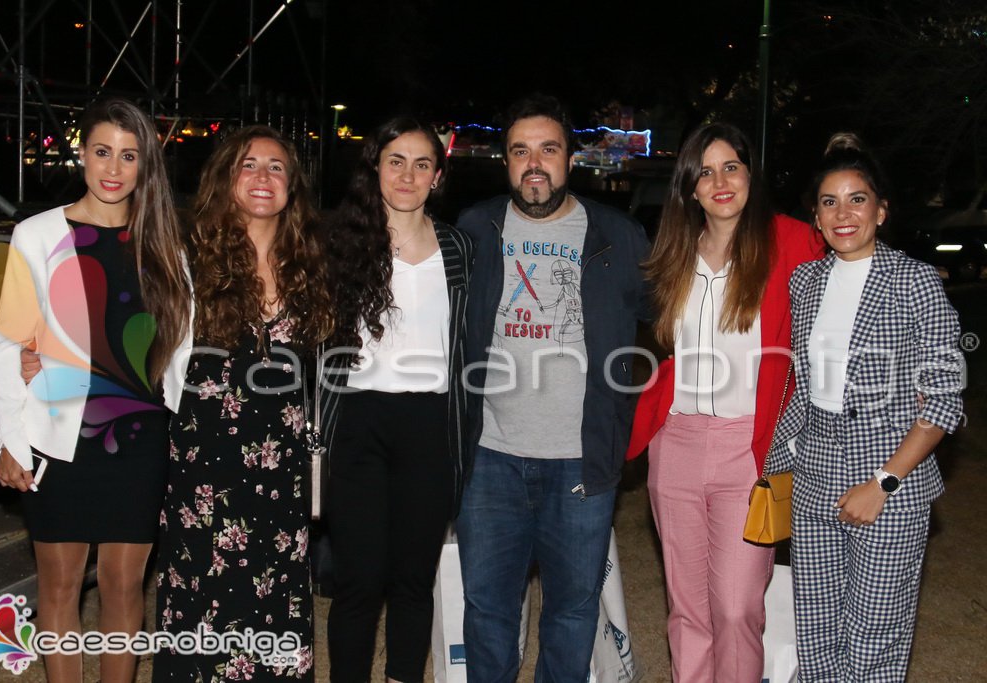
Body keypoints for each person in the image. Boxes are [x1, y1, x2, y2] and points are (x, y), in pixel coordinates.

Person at [0, 97, 192, 683]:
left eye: (129, 156)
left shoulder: (164, 242)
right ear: (82, 154)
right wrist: (11, 438)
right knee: (61, 585)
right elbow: (8, 345)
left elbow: (181, 344)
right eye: (103, 151)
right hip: (58, 437)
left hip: (140, 437)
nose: (113, 168)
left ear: (145, 164)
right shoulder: (36, 234)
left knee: (125, 586)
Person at [455, 93, 650, 681]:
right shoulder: (475, 229)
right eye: (521, 151)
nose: (534, 164)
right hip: (489, 457)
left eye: (548, 149)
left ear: (570, 157)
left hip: (580, 459)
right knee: (488, 610)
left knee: (571, 612)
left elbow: (672, 324)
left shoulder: (619, 236)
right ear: (506, 161)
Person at [624, 121, 823, 681]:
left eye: (731, 167)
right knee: (687, 609)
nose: (720, 182)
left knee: (737, 608)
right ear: (690, 188)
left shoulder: (792, 241)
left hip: (750, 448)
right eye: (705, 172)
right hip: (676, 444)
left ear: (750, 175)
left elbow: (851, 270)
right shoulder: (674, 253)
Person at [768, 133, 964, 680]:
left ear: (881, 210)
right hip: (813, 471)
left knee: (874, 635)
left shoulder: (915, 281)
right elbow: (805, 385)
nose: (843, 213)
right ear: (816, 217)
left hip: (889, 474)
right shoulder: (805, 281)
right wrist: (776, 458)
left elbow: (943, 401)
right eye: (829, 202)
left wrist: (884, 483)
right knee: (815, 631)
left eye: (857, 199)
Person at [152, 125, 335, 681]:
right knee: (201, 592)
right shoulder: (189, 258)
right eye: (248, 165)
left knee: (275, 593)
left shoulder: (312, 265)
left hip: (281, 467)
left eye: (276, 167)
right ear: (226, 179)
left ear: (292, 185)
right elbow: (134, 337)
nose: (263, 176)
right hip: (204, 465)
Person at [321, 117, 472, 682]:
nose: (408, 175)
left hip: (431, 425)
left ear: (438, 176)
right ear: (376, 168)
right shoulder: (338, 242)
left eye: (422, 164)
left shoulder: (459, 249)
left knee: (413, 580)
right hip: (358, 421)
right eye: (396, 161)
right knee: (358, 582)